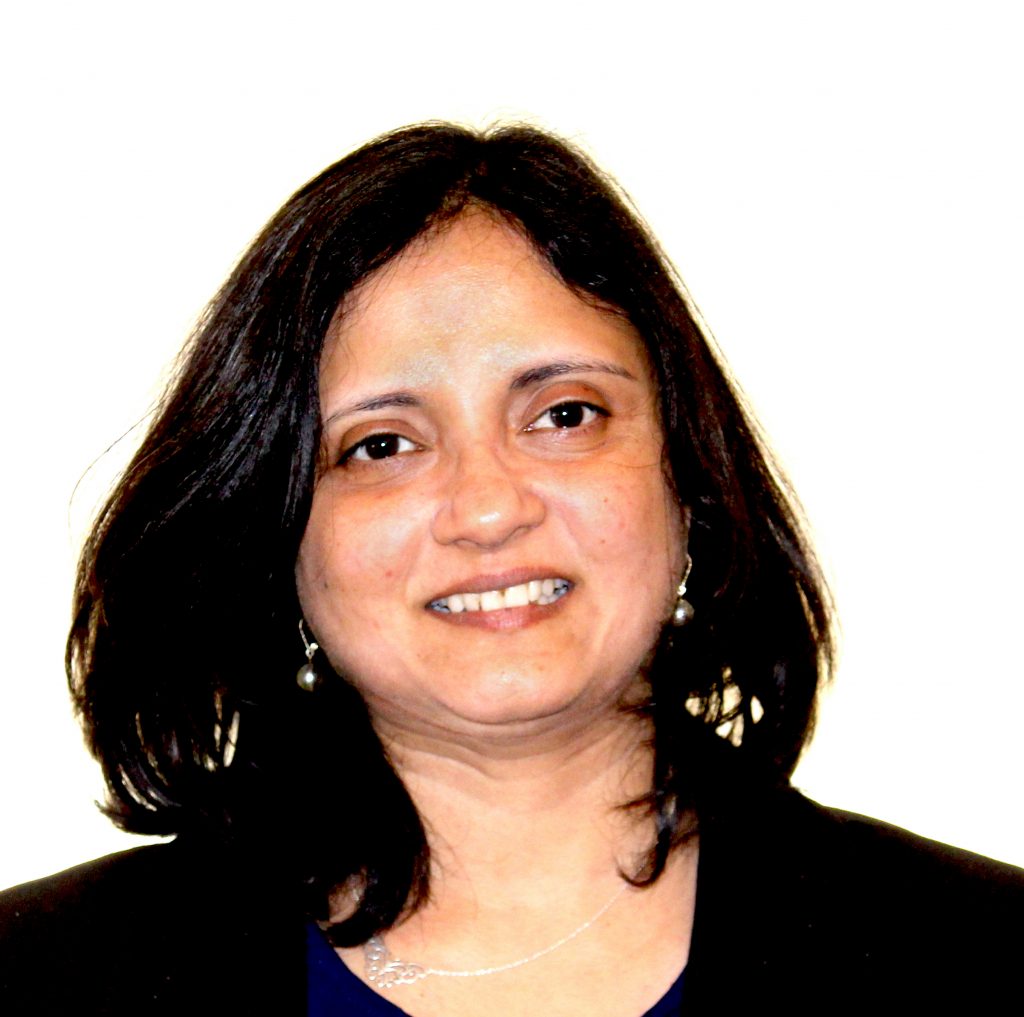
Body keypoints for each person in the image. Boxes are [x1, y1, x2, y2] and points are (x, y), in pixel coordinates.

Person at [1, 123, 1021, 1015]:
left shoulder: (983, 956)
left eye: (565, 415)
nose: (489, 508)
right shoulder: (41, 977)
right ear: (276, 537)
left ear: (690, 483)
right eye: (381, 445)